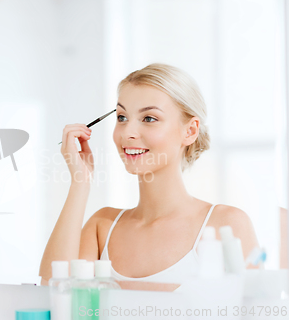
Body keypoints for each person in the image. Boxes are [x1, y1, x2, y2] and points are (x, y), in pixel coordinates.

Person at [39, 63, 259, 290]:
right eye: (122, 117)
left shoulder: (226, 224)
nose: (127, 133)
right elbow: (51, 292)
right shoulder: (102, 226)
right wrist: (80, 182)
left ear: (190, 131)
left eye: (149, 119)